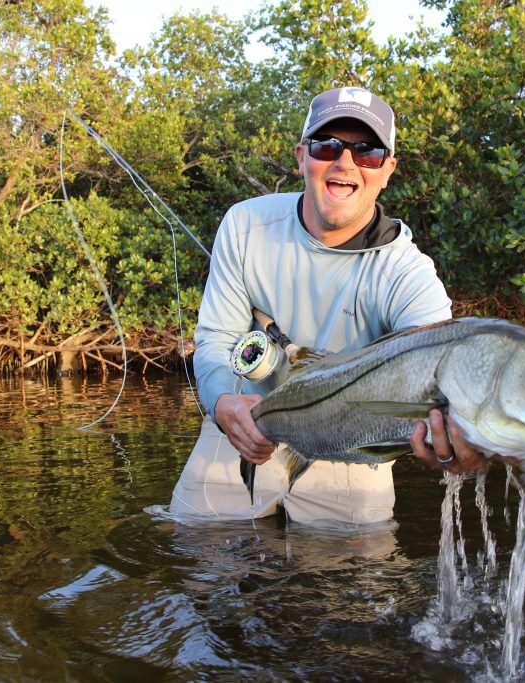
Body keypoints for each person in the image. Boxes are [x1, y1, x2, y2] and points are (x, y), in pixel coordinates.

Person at [169, 86, 485, 525]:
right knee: (198, 561)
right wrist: (223, 403)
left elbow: (445, 374)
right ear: (302, 157)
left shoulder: (408, 274)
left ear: (388, 169)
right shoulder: (244, 224)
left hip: (352, 451)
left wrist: (466, 446)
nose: (345, 162)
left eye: (367, 151)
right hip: (243, 423)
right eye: (327, 145)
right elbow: (216, 340)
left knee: (350, 586)